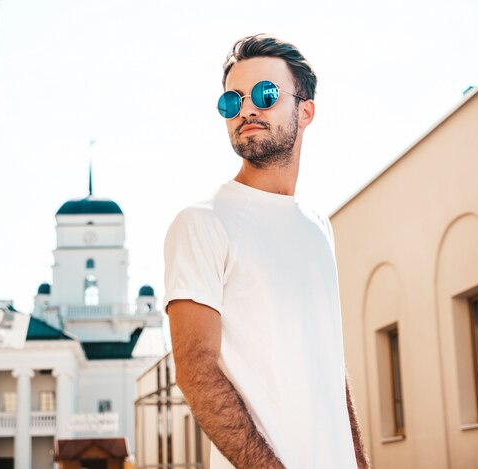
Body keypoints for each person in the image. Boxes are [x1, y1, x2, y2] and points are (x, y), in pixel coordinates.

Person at [163, 34, 370, 468]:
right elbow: (195, 371)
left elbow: (333, 367)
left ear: (306, 110)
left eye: (266, 94)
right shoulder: (202, 223)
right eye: (231, 101)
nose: (247, 110)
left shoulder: (319, 227)